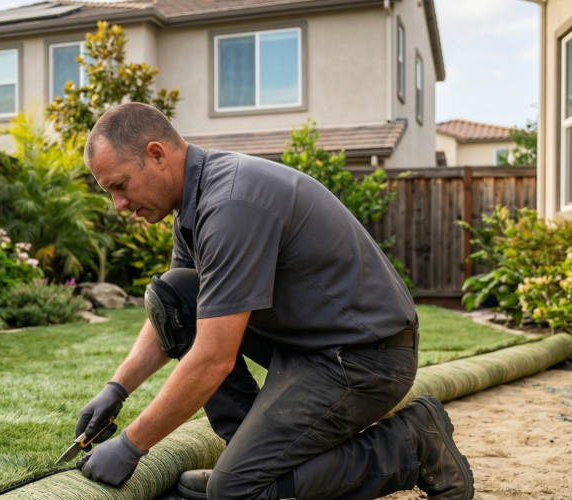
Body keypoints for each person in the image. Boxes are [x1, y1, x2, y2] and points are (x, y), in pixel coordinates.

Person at [72, 102, 473, 500]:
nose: (118, 205)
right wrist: (117, 389)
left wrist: (131, 445)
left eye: (120, 186)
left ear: (156, 155)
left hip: (365, 358)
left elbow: (214, 356)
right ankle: (259, 459)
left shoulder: (230, 205)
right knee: (175, 292)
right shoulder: (194, 204)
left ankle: (411, 445)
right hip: (311, 347)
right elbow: (176, 310)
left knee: (236, 493)